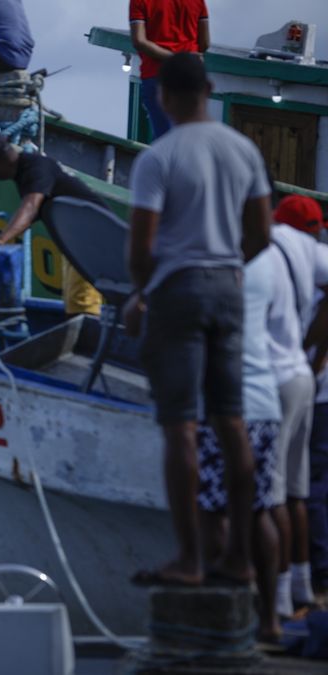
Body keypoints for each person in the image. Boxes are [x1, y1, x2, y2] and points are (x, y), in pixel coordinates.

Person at [126, 53, 271, 587]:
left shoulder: (159, 158)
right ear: (208, 90)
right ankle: (240, 556)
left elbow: (141, 246)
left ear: (163, 96)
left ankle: (189, 558)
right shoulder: (244, 151)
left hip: (176, 294)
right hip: (228, 289)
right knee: (231, 424)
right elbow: (261, 234)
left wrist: (143, 293)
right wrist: (230, 268)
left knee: (181, 426)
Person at [197, 245, 284, 641]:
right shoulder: (269, 257)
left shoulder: (214, 253)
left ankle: (224, 621)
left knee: (213, 512)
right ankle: (269, 620)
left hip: (226, 403)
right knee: (259, 509)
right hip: (265, 399)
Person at [0, 130, 105, 316]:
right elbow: (31, 213)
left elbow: (31, 205)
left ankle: (86, 342)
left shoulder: (36, 167)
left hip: (91, 239)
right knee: (74, 304)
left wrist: (2, 238)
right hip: (78, 244)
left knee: (81, 308)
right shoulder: (25, 172)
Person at [268, 194, 328, 613]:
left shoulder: (275, 247)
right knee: (302, 492)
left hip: (287, 383)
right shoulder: (317, 255)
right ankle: (306, 584)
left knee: (276, 496)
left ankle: (285, 596)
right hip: (308, 382)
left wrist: (315, 349)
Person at [129, 0, 209, 139]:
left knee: (165, 138)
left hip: (156, 74)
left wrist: (174, 57)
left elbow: (139, 41)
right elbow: (205, 42)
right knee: (191, 135)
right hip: (190, 75)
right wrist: (186, 58)